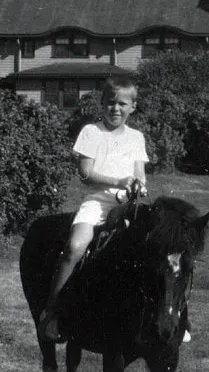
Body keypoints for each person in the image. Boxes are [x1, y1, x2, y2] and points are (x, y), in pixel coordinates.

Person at [38, 76, 149, 342]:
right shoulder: (91, 132)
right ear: (102, 104)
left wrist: (139, 186)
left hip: (129, 204)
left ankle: (168, 316)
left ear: (132, 107)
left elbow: (140, 174)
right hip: (98, 202)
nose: (116, 109)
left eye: (122, 104)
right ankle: (52, 310)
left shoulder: (136, 137)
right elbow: (85, 174)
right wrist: (118, 181)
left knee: (161, 246)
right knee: (75, 247)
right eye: (110, 103)